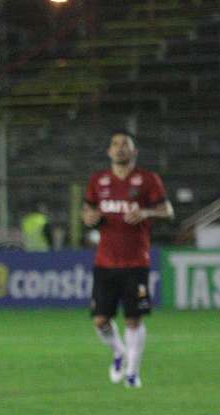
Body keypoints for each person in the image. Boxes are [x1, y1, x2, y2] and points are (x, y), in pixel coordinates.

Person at [83, 131, 173, 388]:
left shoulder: (147, 179)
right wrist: (88, 217)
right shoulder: (98, 180)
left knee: (134, 319)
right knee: (100, 320)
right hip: (105, 262)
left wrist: (145, 211)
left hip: (136, 262)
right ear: (109, 151)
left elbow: (167, 210)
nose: (120, 148)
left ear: (134, 152)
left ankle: (133, 372)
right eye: (115, 144)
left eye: (125, 144)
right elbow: (88, 209)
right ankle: (119, 352)